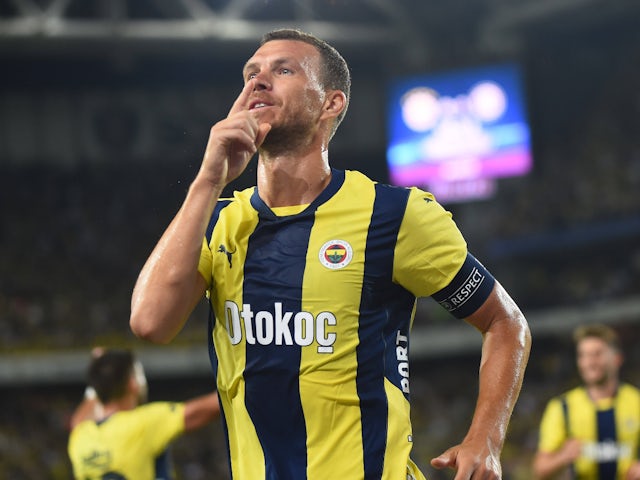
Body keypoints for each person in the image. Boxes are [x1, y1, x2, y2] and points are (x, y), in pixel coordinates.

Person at [130, 28, 531, 479]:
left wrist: (487, 437)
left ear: (331, 103)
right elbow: (150, 323)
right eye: (251, 73)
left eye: (283, 70)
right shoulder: (218, 221)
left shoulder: (393, 215)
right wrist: (208, 180)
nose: (258, 82)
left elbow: (505, 322)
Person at [67, 348, 220, 480]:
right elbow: (203, 410)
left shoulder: (80, 436)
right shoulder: (144, 423)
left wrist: (99, 383)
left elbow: (77, 421)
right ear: (132, 384)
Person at [533, 324, 640, 480]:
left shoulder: (636, 402)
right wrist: (563, 456)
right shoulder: (562, 407)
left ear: (617, 359)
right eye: (583, 355)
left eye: (597, 354)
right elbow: (539, 470)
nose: (589, 362)